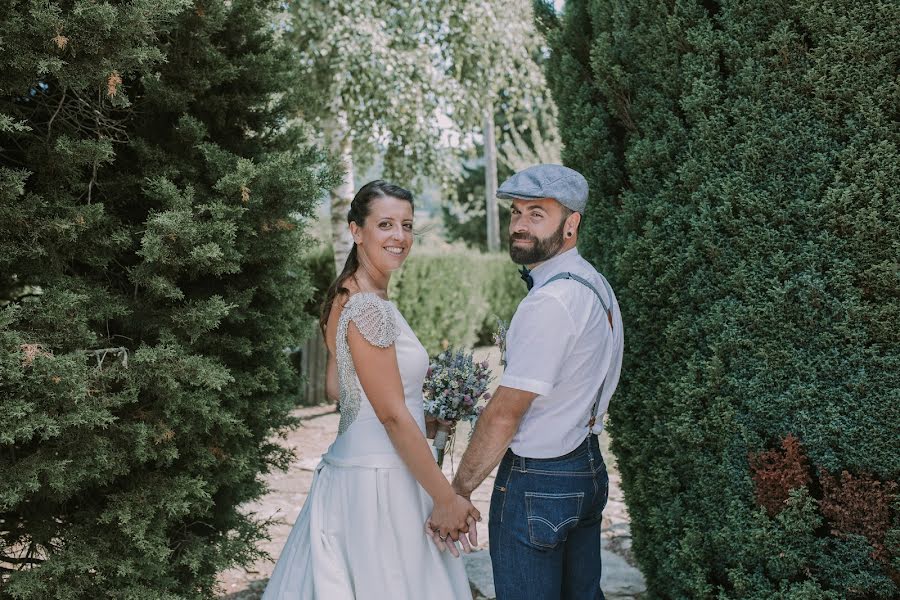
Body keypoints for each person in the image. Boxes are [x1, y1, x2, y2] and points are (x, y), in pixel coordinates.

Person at [263, 180, 478, 599]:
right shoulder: (368, 307)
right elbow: (392, 415)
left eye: (407, 225)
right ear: (356, 230)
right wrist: (445, 498)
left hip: (348, 476)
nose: (400, 236)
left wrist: (421, 413)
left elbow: (335, 388)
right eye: (385, 224)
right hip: (384, 485)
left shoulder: (344, 294)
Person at [426, 164, 625, 600]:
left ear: (571, 224)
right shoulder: (595, 283)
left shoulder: (552, 300)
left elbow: (504, 414)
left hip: (539, 481)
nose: (519, 225)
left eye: (537, 214)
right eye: (516, 213)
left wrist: (456, 493)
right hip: (586, 467)